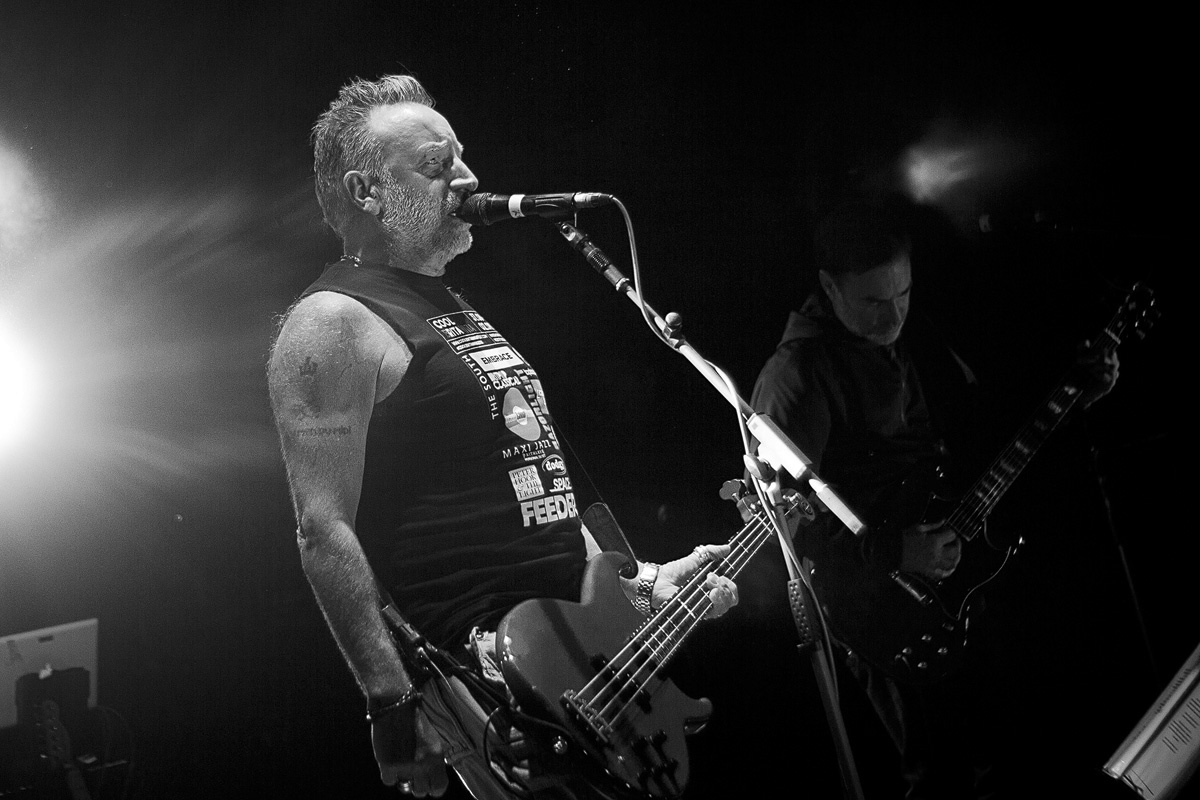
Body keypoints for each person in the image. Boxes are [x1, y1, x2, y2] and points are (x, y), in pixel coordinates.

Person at [266, 74, 739, 800]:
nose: (467, 176)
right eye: (436, 164)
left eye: (461, 155)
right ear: (366, 191)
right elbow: (321, 529)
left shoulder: (447, 304)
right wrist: (391, 701)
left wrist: (638, 585)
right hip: (490, 682)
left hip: (574, 660)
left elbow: (533, 479)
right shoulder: (332, 323)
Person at [749, 199, 1119, 798]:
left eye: (903, 293)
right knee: (942, 773)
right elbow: (780, 521)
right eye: (873, 301)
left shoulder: (910, 335)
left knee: (1010, 744)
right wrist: (895, 551)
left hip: (952, 583)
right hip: (878, 607)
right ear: (829, 288)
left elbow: (978, 431)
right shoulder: (796, 376)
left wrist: (1077, 397)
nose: (892, 314)